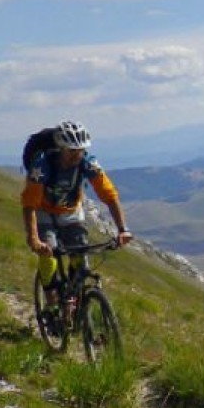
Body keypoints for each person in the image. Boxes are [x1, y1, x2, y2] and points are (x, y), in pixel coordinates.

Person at [21, 121, 133, 311]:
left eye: (80, 150)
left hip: (71, 211)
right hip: (43, 211)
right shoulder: (42, 165)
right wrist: (33, 238)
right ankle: (51, 302)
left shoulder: (88, 163)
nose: (77, 155)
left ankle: (73, 302)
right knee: (49, 255)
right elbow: (29, 204)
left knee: (80, 259)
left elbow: (110, 196)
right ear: (60, 148)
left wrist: (123, 229)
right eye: (71, 150)